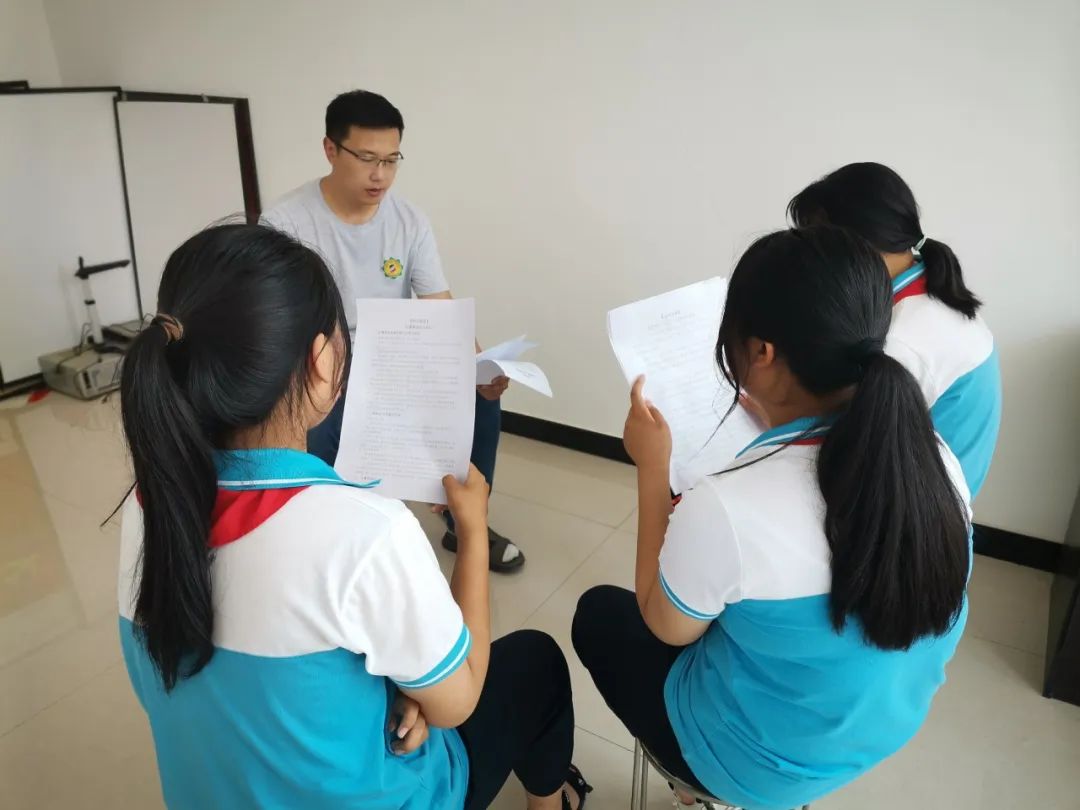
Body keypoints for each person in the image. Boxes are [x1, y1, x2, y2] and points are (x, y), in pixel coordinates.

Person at [116, 224, 590, 809]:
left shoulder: (147, 504)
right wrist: (471, 531)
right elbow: (460, 699)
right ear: (321, 362)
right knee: (537, 663)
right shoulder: (366, 531)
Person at [572, 226, 972, 810]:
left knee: (600, 613)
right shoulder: (932, 456)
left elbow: (663, 625)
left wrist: (652, 466)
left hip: (759, 766)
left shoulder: (728, 505)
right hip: (876, 731)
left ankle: (693, 785)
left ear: (762, 353)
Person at [261, 89, 523, 572]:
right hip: (322, 362)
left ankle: (465, 519)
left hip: (397, 358)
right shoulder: (285, 222)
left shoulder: (408, 221)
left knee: (479, 396)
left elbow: (440, 305)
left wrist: (479, 365)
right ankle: (333, 543)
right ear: (330, 149)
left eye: (391, 160)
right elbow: (279, 322)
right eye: (366, 158)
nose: (380, 175)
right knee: (322, 422)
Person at [787, 162, 1002, 498]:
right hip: (922, 492)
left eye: (820, 245)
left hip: (915, 513)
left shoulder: (904, 339)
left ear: (859, 242)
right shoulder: (923, 288)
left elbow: (840, 448)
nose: (814, 261)